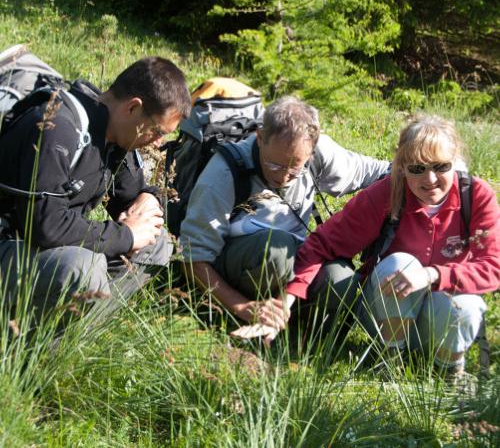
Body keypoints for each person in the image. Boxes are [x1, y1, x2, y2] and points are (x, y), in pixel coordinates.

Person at [285, 115, 499, 373]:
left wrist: (431, 275)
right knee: (400, 263)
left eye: (441, 167)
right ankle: (390, 359)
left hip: (442, 319)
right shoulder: (387, 193)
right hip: (384, 313)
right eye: (417, 168)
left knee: (465, 304)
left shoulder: (475, 195)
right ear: (402, 167)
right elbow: (322, 243)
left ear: (455, 161)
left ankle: (450, 370)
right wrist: (287, 300)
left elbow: (493, 267)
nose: (430, 179)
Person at [180, 96, 390, 339]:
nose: (283, 177)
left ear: (312, 150)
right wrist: (241, 307)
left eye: (295, 169)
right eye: (274, 165)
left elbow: (380, 171)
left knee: (340, 279)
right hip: (239, 261)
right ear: (259, 138)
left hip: (294, 260)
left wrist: (421, 171)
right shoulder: (225, 171)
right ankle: (248, 313)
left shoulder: (319, 154)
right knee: (277, 251)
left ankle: (296, 330)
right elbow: (193, 258)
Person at [0, 56, 191, 322]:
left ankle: (70, 336)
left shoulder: (117, 138)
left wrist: (150, 198)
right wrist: (126, 236)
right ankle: (25, 343)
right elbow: (46, 225)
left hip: (43, 249)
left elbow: (130, 197)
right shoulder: (57, 127)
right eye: (157, 131)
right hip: (11, 243)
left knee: (157, 243)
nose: (158, 143)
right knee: (85, 269)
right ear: (133, 108)